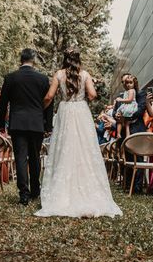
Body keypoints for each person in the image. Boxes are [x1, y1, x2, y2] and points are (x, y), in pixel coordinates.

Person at [35, 49, 121, 218]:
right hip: (81, 112)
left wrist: (40, 108)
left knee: (64, 148)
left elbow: (50, 96)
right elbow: (93, 95)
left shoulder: (59, 74)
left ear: (64, 59)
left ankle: (61, 194)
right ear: (78, 60)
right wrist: (84, 92)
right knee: (85, 150)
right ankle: (87, 191)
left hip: (65, 111)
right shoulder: (85, 74)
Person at [0, 49, 53, 206]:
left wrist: (1, 124)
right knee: (35, 157)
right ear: (33, 60)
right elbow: (49, 103)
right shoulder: (43, 79)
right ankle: (36, 190)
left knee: (21, 158)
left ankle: (24, 195)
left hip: (18, 124)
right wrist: (48, 125)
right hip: (36, 124)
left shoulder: (11, 78)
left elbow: (3, 103)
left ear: (20, 60)